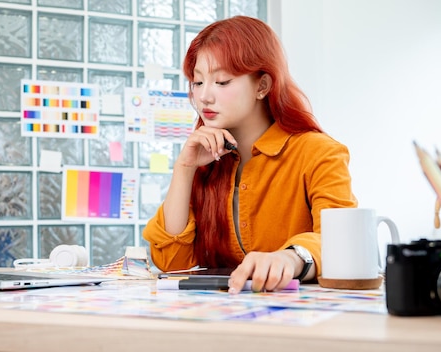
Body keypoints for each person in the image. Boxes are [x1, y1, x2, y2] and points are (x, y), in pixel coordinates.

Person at [142, 16, 357, 294]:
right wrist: (184, 168)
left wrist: (290, 258)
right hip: (223, 318)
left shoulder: (318, 152)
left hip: (298, 320)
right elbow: (172, 263)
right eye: (197, 82)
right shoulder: (205, 160)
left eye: (221, 81)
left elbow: (341, 242)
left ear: (262, 86)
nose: (204, 96)